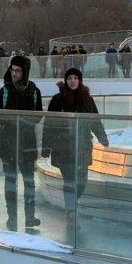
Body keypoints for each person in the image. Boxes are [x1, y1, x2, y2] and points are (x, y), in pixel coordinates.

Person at [42, 68, 109, 224]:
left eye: (75, 78)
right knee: (70, 179)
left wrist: (102, 136)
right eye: (69, 78)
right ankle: (71, 210)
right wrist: (46, 145)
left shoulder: (87, 99)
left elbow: (95, 121)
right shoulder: (57, 99)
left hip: (82, 146)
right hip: (63, 147)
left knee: (82, 181)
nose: (72, 81)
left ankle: (71, 204)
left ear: (80, 80)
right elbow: (49, 124)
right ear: (66, 81)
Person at [0, 56, 43, 233]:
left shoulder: (34, 91)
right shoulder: (3, 92)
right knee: (10, 182)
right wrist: (14, 119)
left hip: (27, 143)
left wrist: (23, 120)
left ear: (25, 72)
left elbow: (38, 116)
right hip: (8, 144)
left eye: (18, 71)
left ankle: (29, 217)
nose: (14, 73)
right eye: (12, 70)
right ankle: (11, 217)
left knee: (29, 181)